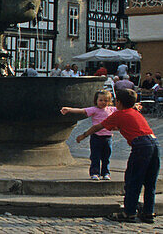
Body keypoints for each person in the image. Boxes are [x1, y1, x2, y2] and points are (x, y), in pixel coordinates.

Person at [77, 88, 159, 223]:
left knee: (133, 179)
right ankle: (148, 212)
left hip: (141, 146)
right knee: (150, 181)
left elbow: (98, 127)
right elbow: (126, 126)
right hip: (154, 142)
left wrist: (84, 135)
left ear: (119, 102)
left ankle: (129, 212)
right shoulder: (134, 112)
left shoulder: (119, 114)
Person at [61, 90, 115, 180]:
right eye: (101, 100)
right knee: (95, 156)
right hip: (96, 137)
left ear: (109, 102)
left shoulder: (111, 109)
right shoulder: (94, 110)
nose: (103, 102)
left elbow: (124, 109)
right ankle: (95, 173)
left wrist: (134, 106)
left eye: (106, 100)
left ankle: (106, 172)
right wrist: (69, 109)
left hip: (108, 137)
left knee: (106, 157)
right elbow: (82, 111)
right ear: (96, 101)